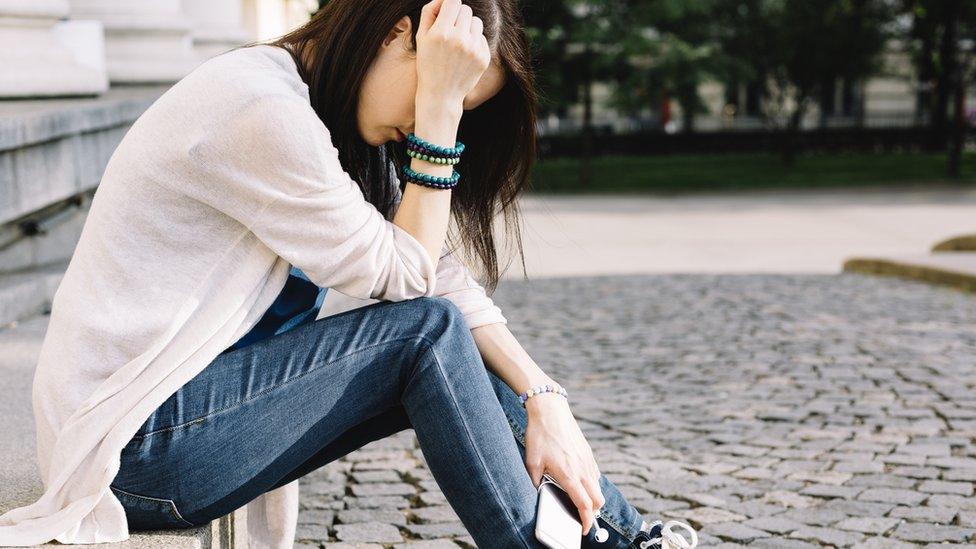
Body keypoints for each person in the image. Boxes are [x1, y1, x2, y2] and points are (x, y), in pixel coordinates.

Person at [0, 1, 698, 548]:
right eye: (438, 93)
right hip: (132, 450)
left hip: (173, 424)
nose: (436, 122)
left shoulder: (318, 118)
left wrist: (546, 397)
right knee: (426, 334)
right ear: (396, 35)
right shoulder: (259, 108)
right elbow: (407, 283)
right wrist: (437, 125)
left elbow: (440, 277)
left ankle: (623, 537)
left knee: (458, 348)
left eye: (457, 107)